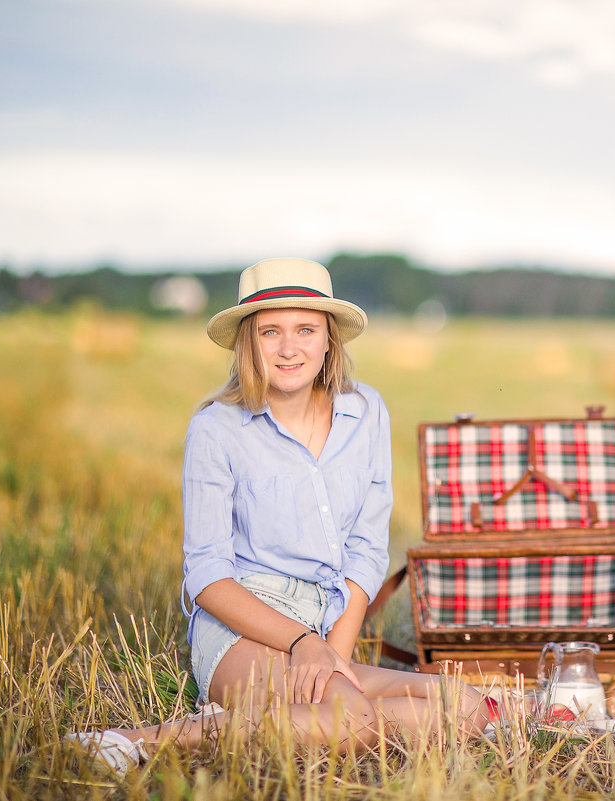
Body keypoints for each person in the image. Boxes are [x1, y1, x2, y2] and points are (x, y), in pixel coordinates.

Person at [67, 258, 489, 775]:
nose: (289, 348)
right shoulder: (216, 429)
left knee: (466, 708)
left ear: (330, 339)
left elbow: (367, 547)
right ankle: (138, 741)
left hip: (327, 622)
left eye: (305, 329)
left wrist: (332, 650)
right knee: (353, 719)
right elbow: (206, 576)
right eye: (271, 331)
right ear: (248, 342)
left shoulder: (367, 411)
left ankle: (270, 721)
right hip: (247, 626)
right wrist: (301, 642)